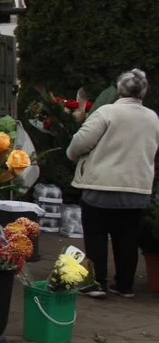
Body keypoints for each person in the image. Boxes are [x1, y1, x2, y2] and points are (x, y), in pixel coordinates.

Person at [67, 69, 159, 299]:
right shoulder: (152, 118)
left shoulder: (107, 113)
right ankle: (124, 285)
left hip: (101, 184)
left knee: (96, 234)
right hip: (136, 187)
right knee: (127, 236)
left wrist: (72, 155)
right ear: (144, 92)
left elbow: (80, 142)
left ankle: (97, 283)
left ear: (119, 90)